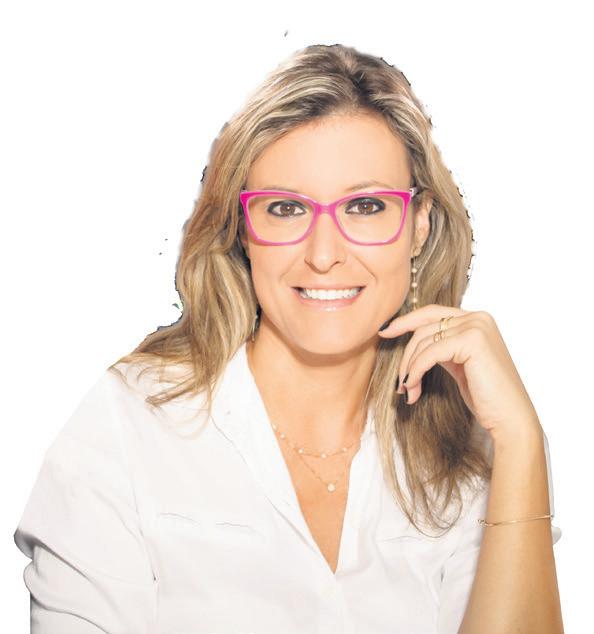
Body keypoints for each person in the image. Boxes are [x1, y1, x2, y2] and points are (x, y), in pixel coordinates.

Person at [13, 43, 563, 633]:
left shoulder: (481, 446)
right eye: (285, 209)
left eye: (365, 206)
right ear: (242, 229)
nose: (324, 255)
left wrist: (521, 441)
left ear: (419, 225)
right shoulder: (126, 428)